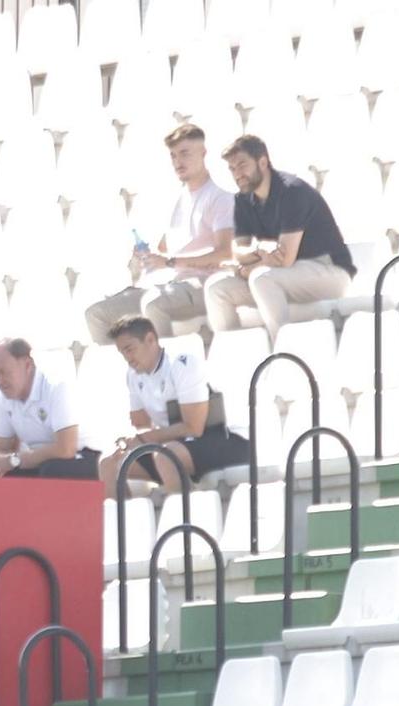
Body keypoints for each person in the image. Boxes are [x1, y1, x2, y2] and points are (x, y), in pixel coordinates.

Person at [84, 123, 236, 344]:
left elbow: (224, 253)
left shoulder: (220, 198)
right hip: (172, 286)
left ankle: (164, 370)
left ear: (203, 153)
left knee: (153, 303)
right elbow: (166, 250)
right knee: (96, 314)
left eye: (184, 153)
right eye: (173, 156)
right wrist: (147, 255)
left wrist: (170, 262)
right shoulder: (180, 200)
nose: (177, 162)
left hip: (204, 285)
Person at [204, 133, 354, 340]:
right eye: (232, 169)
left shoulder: (292, 191)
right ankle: (235, 355)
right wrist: (256, 252)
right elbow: (239, 251)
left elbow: (284, 258)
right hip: (282, 276)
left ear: (263, 162)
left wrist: (247, 269)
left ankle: (284, 353)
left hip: (328, 271)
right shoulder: (243, 199)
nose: (237, 174)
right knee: (216, 288)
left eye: (242, 165)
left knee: (261, 278)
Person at [100, 315, 250, 497]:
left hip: (225, 439)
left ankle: (187, 520)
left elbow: (194, 427)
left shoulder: (182, 364)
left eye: (130, 349)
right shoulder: (133, 376)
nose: (127, 358)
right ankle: (130, 522)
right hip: (178, 446)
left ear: (150, 339)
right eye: (122, 353)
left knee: (165, 456)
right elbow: (142, 425)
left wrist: (144, 438)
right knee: (109, 464)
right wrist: (131, 440)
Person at [0, 338, 92, 480]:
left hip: (85, 456)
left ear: (27, 365)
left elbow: (66, 449)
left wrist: (13, 460)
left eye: (3, 372)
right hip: (41, 459)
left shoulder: (56, 387)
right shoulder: (6, 396)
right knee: (0, 474)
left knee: (52, 469)